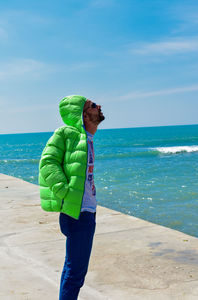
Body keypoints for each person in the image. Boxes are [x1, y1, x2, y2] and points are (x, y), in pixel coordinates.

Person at [38, 95, 105, 300]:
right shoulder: (66, 133)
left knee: (73, 270)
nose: (99, 106)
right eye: (93, 105)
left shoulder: (87, 138)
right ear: (83, 115)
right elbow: (47, 162)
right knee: (75, 273)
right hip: (78, 213)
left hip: (86, 211)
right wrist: (64, 192)